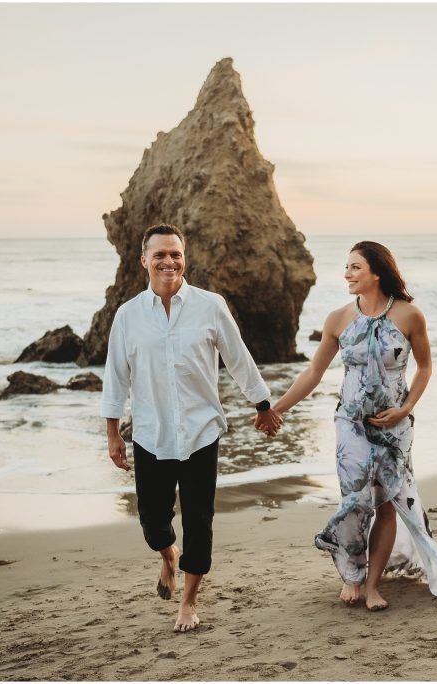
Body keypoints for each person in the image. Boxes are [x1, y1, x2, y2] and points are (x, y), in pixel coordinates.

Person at [263, 241, 437, 610]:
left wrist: (405, 408)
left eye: (355, 267)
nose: (347, 273)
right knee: (355, 503)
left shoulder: (409, 316)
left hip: (395, 428)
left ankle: (372, 584)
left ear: (377, 272)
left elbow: (424, 368)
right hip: (351, 426)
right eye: (346, 267)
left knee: (388, 503)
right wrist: (276, 408)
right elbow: (313, 372)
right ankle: (352, 576)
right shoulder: (338, 319)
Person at [101, 223, 281, 632]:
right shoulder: (128, 316)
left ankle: (189, 601)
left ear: (185, 258)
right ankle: (168, 558)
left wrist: (263, 403)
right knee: (152, 522)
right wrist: (112, 434)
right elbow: (115, 377)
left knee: (199, 521)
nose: (169, 262)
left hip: (202, 432)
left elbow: (238, 357)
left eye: (176, 254)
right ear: (143, 260)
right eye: (160, 254)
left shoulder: (210, 305)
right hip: (151, 433)